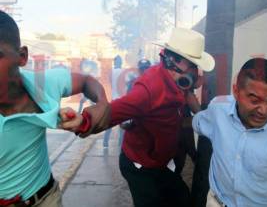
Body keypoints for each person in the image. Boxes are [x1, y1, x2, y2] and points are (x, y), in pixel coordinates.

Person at [62, 27, 215, 207]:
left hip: (162, 163)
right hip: (141, 167)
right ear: (173, 61)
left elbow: (185, 103)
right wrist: (84, 121)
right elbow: (113, 111)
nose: (195, 71)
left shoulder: (178, 83)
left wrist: (202, 116)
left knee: (181, 199)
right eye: (192, 65)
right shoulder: (149, 89)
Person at [0, 10, 107, 207]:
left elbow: (85, 81)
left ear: (22, 56)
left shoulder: (41, 85)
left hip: (47, 199)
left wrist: (101, 104)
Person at [192, 58, 267, 207]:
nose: (263, 110)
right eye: (255, 100)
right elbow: (198, 122)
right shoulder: (218, 109)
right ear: (236, 91)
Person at [103, 55, 125, 148]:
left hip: (113, 100)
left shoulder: (111, 72)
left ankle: (105, 142)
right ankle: (121, 143)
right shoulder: (124, 72)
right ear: (121, 63)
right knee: (122, 123)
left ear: (114, 62)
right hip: (122, 100)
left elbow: (110, 83)